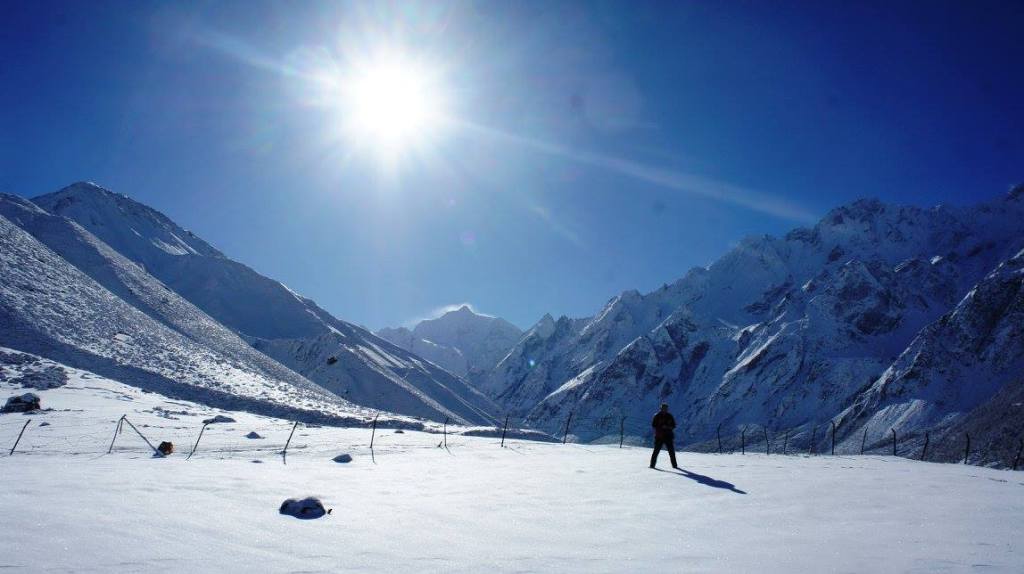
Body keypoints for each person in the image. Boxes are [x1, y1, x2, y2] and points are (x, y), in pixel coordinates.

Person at [649, 403, 678, 469]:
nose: (664, 410)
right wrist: (661, 427)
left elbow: (674, 426)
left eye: (665, 408)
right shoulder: (657, 416)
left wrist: (667, 427)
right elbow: (653, 425)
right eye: (663, 408)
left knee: (671, 452)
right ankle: (652, 465)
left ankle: (675, 466)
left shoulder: (670, 416)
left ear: (667, 409)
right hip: (659, 436)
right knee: (656, 451)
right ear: (661, 409)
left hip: (668, 436)